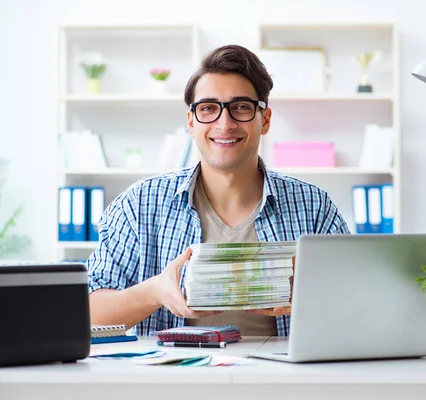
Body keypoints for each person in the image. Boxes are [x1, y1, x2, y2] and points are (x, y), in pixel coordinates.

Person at [87, 44, 350, 337]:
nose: (225, 124)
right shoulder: (140, 205)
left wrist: (312, 293)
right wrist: (155, 292)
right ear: (191, 122)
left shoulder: (313, 206)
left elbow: (357, 307)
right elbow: (88, 314)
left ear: (265, 120)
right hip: (171, 382)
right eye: (208, 108)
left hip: (283, 382)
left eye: (240, 107)